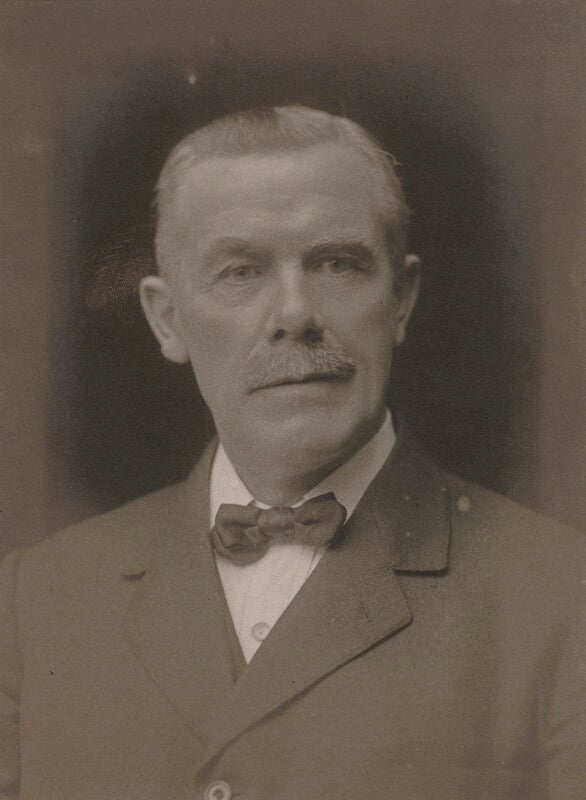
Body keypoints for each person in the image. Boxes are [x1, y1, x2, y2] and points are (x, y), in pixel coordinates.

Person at [0, 106, 583, 800]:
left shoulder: (562, 594)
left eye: (337, 264)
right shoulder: (34, 600)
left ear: (400, 299)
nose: (295, 314)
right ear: (168, 319)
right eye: (241, 271)